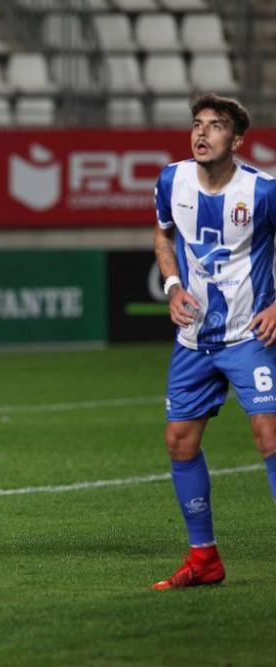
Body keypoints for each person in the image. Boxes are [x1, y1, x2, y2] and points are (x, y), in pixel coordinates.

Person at [152, 93, 276, 590]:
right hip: (193, 338)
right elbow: (163, 237)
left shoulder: (264, 191)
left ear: (237, 140)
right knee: (179, 442)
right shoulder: (171, 180)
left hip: (249, 333)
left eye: (217, 126)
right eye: (197, 124)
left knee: (270, 435)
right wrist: (172, 286)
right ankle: (204, 558)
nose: (202, 133)